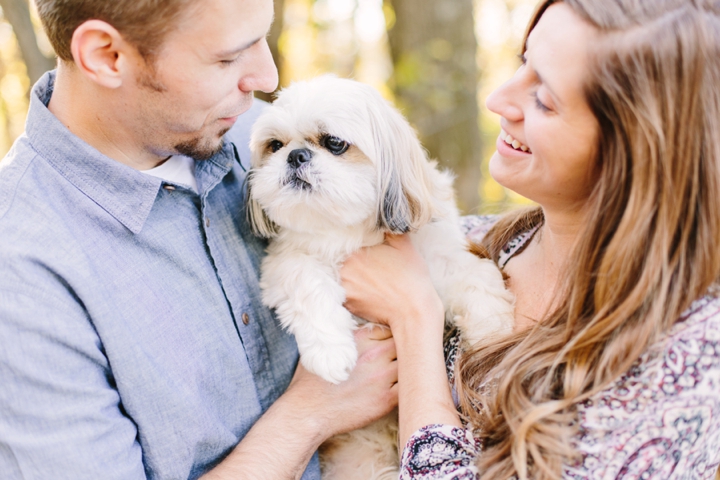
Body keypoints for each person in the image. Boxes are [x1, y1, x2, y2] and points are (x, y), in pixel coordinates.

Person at [0, 0, 398, 478]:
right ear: (107, 56)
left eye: (263, 38)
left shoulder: (266, 137)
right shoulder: (21, 267)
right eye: (228, 58)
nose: (267, 78)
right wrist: (309, 413)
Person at [341, 0, 720, 478]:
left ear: (634, 149)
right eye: (523, 62)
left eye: (543, 99)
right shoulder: (470, 244)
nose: (498, 100)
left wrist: (414, 318)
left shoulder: (694, 354)